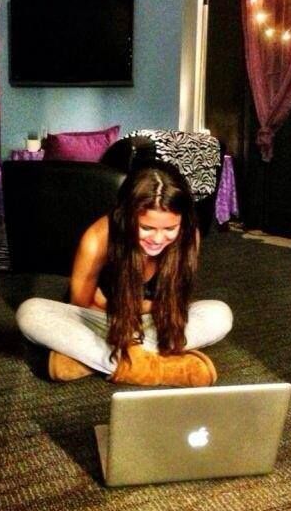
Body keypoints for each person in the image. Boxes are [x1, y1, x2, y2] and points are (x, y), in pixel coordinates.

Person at [16, 161, 233, 386]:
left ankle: (97, 360)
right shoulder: (98, 238)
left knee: (219, 314)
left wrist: (127, 306)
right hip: (105, 323)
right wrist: (139, 309)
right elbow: (80, 306)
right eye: (147, 228)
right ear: (128, 216)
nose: (158, 240)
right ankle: (160, 367)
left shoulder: (189, 237)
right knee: (30, 312)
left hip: (154, 323)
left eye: (170, 229)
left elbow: (174, 304)